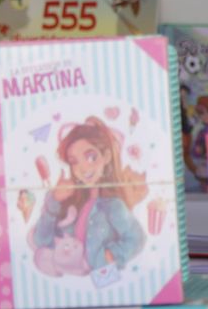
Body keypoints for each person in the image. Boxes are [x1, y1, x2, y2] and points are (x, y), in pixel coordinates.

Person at [31, 117, 147, 279]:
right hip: (67, 278)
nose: (83, 168)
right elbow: (41, 240)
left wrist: (111, 255)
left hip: (100, 277)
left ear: (106, 156)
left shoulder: (113, 206)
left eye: (91, 157)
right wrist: (54, 201)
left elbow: (137, 238)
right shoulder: (71, 201)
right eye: (74, 162)